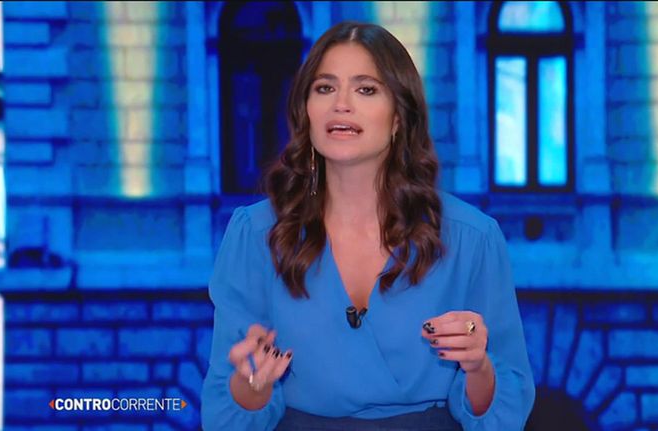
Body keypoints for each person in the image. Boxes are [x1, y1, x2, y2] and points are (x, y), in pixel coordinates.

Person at [201, 21, 535, 431]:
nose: (341, 104)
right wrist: (252, 384)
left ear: (398, 118)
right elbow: (226, 411)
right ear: (306, 111)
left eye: (366, 89)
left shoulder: (472, 239)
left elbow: (503, 412)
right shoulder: (255, 235)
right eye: (325, 88)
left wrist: (478, 365)